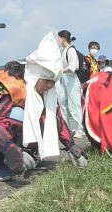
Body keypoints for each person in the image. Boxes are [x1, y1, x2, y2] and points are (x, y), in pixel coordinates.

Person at [24, 31, 87, 169]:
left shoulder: (48, 93)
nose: (50, 86)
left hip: (69, 80)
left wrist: (72, 146)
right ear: (35, 76)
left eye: (53, 83)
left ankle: (33, 154)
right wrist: (10, 150)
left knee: (53, 114)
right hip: (2, 147)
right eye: (47, 82)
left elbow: (59, 121)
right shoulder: (18, 91)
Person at [56, 30, 84, 139]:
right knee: (62, 103)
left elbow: (73, 67)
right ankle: (66, 128)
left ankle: (80, 129)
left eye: (59, 38)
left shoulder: (71, 51)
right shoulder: (64, 51)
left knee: (74, 105)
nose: (58, 40)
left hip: (71, 79)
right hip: (63, 80)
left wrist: (61, 70)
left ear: (62, 38)